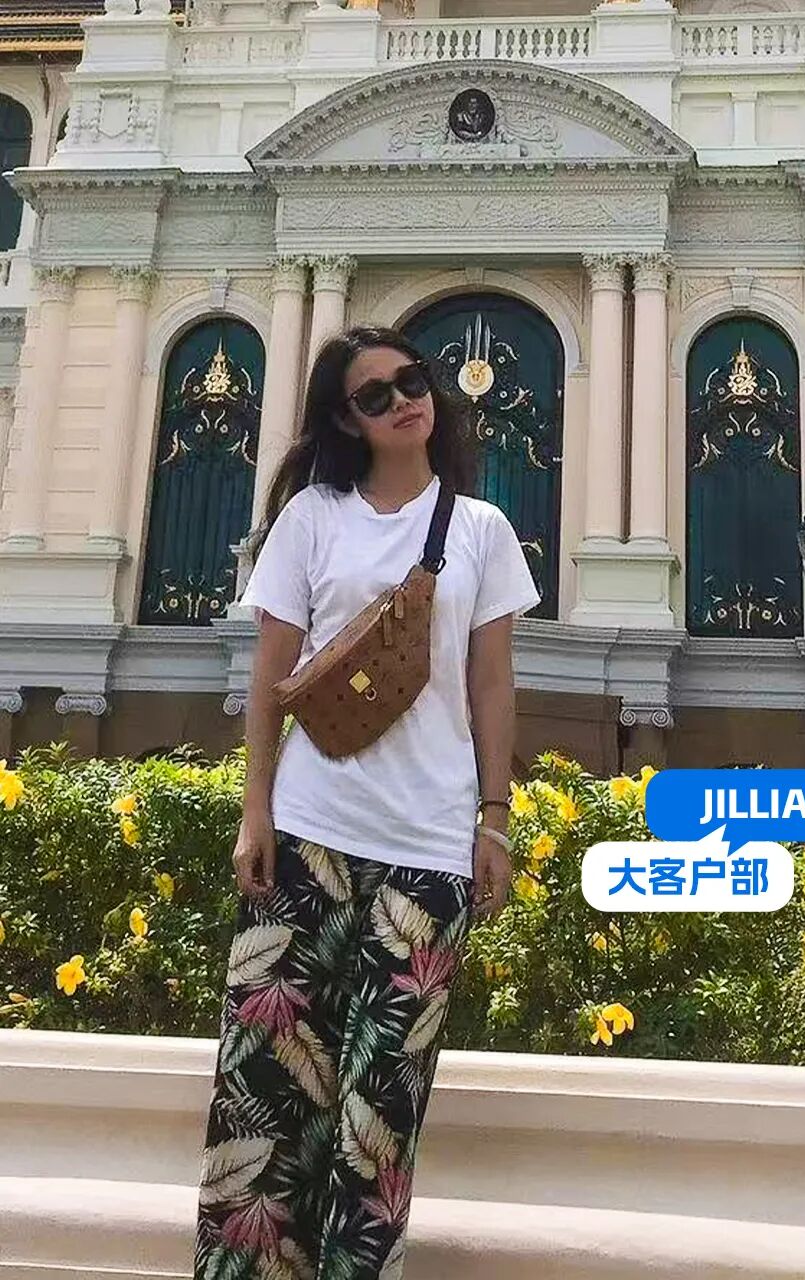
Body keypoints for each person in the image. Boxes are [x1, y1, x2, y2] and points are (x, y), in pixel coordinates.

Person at [193, 326, 540, 1279]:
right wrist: (255, 810)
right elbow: (271, 676)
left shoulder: (481, 530)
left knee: (379, 1113)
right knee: (264, 1093)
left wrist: (495, 817)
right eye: (375, 395)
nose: (403, 402)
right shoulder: (313, 517)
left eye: (410, 380)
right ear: (346, 420)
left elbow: (491, 685)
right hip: (309, 832)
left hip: (429, 849)